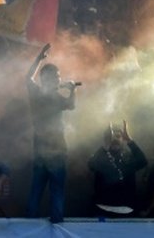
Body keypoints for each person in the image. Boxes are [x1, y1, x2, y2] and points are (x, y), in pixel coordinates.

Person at [26, 43, 78, 223]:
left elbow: (28, 78)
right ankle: (56, 228)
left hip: (40, 149)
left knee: (36, 191)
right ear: (47, 79)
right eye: (56, 76)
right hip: (56, 151)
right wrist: (72, 89)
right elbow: (71, 105)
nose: (58, 79)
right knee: (56, 191)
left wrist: (39, 58)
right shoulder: (55, 97)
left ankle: (29, 228)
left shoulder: (36, 94)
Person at [88, 120, 147, 216]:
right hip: (102, 208)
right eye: (112, 137)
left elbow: (143, 161)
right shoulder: (101, 154)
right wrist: (106, 145)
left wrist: (129, 140)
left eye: (118, 136)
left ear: (123, 139)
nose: (115, 139)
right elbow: (92, 165)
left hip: (126, 209)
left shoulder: (128, 157)